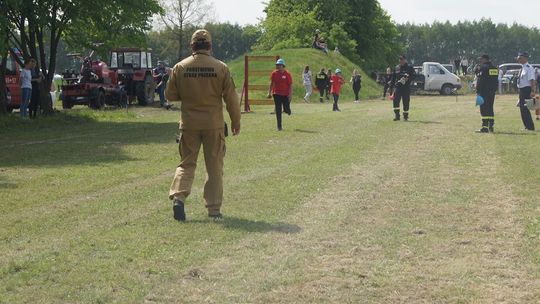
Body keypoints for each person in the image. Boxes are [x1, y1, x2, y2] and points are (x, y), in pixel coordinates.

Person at [165, 29, 241, 221]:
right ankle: (214, 210)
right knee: (214, 166)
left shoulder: (180, 67)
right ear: (210, 46)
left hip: (189, 124)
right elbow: (231, 99)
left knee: (186, 164)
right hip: (213, 124)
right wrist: (235, 121)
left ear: (192, 46)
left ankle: (179, 198)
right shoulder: (221, 67)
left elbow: (170, 95)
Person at [475, 54, 499, 133]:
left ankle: (484, 127)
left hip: (483, 91)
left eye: (481, 59)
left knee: (483, 109)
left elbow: (480, 80)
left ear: (485, 59)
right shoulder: (494, 69)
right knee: (490, 108)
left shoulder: (483, 68)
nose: (480, 61)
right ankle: (491, 126)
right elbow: (496, 81)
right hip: (492, 92)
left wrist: (478, 90)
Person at [267, 58, 293, 131]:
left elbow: (290, 85)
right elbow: (271, 83)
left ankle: (288, 110)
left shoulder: (287, 74)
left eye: (279, 65)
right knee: (278, 110)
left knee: (286, 109)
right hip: (277, 94)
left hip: (285, 94)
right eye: (277, 65)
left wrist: (290, 95)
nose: (277, 66)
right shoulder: (274, 73)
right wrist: (269, 92)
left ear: (283, 66)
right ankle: (279, 126)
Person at [390, 55, 415, 121]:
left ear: (405, 60)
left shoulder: (409, 67)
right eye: (400, 59)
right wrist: (391, 87)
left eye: (402, 59)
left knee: (406, 102)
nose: (401, 61)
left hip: (406, 87)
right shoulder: (396, 67)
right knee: (395, 101)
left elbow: (413, 76)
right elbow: (393, 78)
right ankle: (397, 116)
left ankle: (405, 116)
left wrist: (406, 79)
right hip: (398, 88)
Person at [516, 52, 536, 131]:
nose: (518, 59)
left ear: (525, 58)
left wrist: (532, 91)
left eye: (520, 57)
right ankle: (527, 126)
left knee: (525, 108)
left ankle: (530, 127)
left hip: (527, 89)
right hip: (522, 90)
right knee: (522, 108)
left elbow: (532, 80)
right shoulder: (522, 67)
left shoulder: (529, 67)